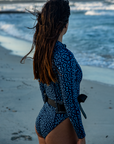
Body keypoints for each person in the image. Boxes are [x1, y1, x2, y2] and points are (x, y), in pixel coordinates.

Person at [20, 0, 86, 144]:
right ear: (65, 25)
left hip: (44, 117)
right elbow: (70, 101)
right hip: (60, 123)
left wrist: (49, 112)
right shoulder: (64, 56)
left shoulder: (43, 50)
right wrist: (81, 135)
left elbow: (43, 87)